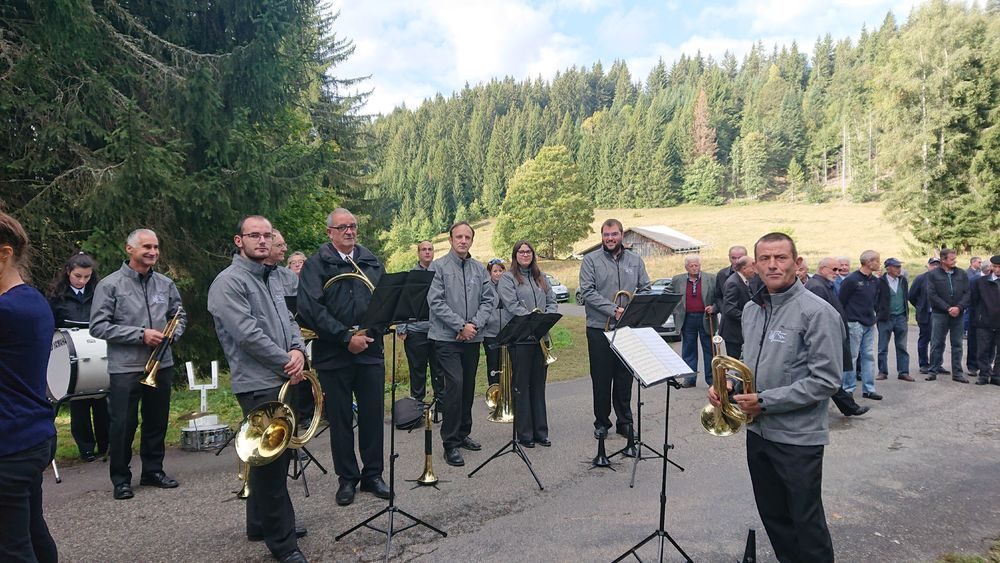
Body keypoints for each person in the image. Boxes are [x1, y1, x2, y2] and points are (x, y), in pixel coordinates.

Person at [709, 232, 841, 563]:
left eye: (780, 258)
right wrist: (728, 390)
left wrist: (765, 401)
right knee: (776, 521)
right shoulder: (753, 310)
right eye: (765, 259)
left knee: (806, 525)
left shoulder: (817, 312)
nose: (772, 265)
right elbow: (747, 367)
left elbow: (826, 381)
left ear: (796, 263)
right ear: (754, 266)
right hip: (758, 433)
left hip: (798, 439)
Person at [207, 215, 308, 563]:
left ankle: (259, 525)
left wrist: (298, 350)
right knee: (270, 465)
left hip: (281, 376)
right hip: (257, 383)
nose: (263, 241)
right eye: (255, 235)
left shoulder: (271, 278)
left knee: (269, 458)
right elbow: (248, 335)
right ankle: (284, 545)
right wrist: (287, 360)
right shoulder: (228, 283)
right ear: (240, 241)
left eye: (267, 235)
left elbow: (289, 321)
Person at [297, 208, 390, 506]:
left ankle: (373, 475)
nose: (349, 232)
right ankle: (347, 478)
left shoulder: (371, 261)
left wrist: (368, 334)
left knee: (373, 416)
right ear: (330, 233)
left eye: (353, 226)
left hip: (370, 351)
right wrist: (346, 337)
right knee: (340, 419)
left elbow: (385, 301)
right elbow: (311, 310)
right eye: (342, 227)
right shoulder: (315, 266)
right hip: (334, 354)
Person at [90, 228, 186, 500]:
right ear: (129, 249)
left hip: (161, 364)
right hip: (125, 368)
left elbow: (179, 315)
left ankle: (153, 471)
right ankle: (121, 479)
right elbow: (98, 327)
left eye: (156, 247)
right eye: (146, 247)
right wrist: (140, 335)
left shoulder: (166, 284)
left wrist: (173, 334)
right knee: (123, 424)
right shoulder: (110, 285)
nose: (153, 252)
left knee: (156, 421)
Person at [0, 212, 59, 562]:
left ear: (3, 254)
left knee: (11, 549)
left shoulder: (7, 310)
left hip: (9, 445)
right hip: (31, 435)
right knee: (32, 533)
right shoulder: (32, 299)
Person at [427, 221, 497, 467]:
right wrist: (460, 326)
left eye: (468, 237)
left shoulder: (479, 269)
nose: (463, 240)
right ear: (450, 239)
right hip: (446, 339)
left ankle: (463, 432)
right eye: (459, 236)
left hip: (472, 337)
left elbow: (489, 300)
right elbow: (435, 302)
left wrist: (473, 326)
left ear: (472, 240)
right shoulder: (438, 268)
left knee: (467, 387)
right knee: (454, 385)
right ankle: (450, 443)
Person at [578, 218, 649, 440]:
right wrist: (614, 309)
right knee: (601, 379)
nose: (610, 239)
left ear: (621, 235)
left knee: (624, 378)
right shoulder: (591, 260)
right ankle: (602, 422)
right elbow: (587, 292)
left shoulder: (635, 260)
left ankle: (625, 422)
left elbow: (645, 288)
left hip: (627, 330)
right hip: (599, 328)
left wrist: (634, 310)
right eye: (606, 235)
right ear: (602, 236)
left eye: (614, 234)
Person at [47, 252, 110, 462]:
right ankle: (86, 448)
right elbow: (51, 326)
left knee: (101, 400)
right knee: (79, 405)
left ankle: (105, 445)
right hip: (71, 355)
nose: (82, 280)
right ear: (68, 272)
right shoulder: (57, 297)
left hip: (97, 352)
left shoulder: (98, 293)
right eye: (78, 276)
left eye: (87, 276)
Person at [497, 241, 557, 447]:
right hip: (521, 339)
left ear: (533, 254)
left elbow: (552, 301)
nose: (525, 254)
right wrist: (533, 322)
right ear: (515, 255)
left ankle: (541, 432)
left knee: (538, 385)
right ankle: (525, 434)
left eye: (528, 251)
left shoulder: (541, 277)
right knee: (522, 385)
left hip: (540, 338)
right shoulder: (507, 278)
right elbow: (512, 305)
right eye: (521, 252)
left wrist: (544, 320)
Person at [806, 258, 870, 417]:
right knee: (828, 376)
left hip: (830, 336)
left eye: (838, 269)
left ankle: (849, 407)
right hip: (824, 339)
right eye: (833, 269)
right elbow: (817, 316)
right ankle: (849, 407)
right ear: (822, 269)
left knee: (828, 377)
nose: (837, 273)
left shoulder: (823, 285)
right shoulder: (817, 287)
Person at [398, 241, 441, 403]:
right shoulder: (411, 276)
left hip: (438, 330)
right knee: (417, 371)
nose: (427, 252)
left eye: (430, 249)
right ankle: (417, 406)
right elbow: (403, 302)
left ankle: (440, 406)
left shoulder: (440, 272)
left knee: (439, 370)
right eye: (424, 249)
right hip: (416, 330)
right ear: (418, 253)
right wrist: (402, 327)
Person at [839, 250, 882, 400]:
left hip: (869, 323)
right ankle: (848, 388)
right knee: (852, 356)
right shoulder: (851, 280)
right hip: (854, 323)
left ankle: (868, 389)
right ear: (869, 262)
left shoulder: (875, 281)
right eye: (877, 260)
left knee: (868, 356)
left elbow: (875, 301)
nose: (879, 263)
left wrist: (875, 316)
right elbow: (841, 302)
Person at [671, 254, 718, 388]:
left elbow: (718, 297)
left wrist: (714, 308)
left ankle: (712, 380)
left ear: (700, 265)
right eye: (691, 266)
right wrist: (675, 309)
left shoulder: (711, 278)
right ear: (686, 267)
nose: (694, 268)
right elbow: (669, 295)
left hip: (706, 317)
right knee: (688, 349)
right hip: (687, 318)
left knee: (710, 349)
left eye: (696, 265)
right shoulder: (677, 280)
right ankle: (690, 379)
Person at [925, 248, 971, 383]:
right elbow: (932, 295)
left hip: (958, 314)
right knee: (936, 343)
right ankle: (933, 370)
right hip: (940, 314)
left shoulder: (962, 274)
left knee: (957, 344)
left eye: (954, 258)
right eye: (951, 259)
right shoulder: (933, 275)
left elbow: (967, 293)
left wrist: (958, 307)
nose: (954, 261)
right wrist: (947, 308)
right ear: (943, 260)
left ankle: (957, 373)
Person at [875, 258, 912, 381]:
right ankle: (882, 372)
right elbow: (874, 299)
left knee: (902, 346)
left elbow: (905, 297)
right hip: (886, 318)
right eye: (896, 267)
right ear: (888, 268)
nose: (898, 269)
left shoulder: (903, 281)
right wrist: (879, 313)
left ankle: (903, 372)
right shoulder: (880, 281)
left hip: (901, 317)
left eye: (899, 267)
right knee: (882, 347)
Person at [971, 255, 1000, 386]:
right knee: (983, 350)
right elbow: (974, 301)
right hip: (984, 322)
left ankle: (996, 375)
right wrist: (978, 316)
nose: (997, 270)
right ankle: (984, 374)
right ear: (991, 267)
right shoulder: (981, 282)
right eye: (995, 267)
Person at [908, 257, 940, 374]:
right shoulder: (921, 278)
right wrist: (920, 306)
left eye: (937, 264)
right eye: (933, 264)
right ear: (928, 266)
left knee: (938, 341)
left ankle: (936, 364)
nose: (935, 267)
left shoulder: (942, 278)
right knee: (924, 339)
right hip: (925, 314)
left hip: (939, 315)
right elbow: (911, 296)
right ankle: (923, 364)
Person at [720, 256, 755, 360]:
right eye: (752, 267)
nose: (755, 270)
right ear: (744, 268)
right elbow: (730, 309)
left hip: (739, 332)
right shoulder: (733, 283)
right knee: (736, 364)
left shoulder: (743, 280)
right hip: (733, 333)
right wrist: (749, 318)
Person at [482, 257, 506, 387]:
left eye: (500, 270)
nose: (498, 273)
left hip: (507, 332)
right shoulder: (485, 287)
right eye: (495, 271)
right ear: (490, 273)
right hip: (490, 334)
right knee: (493, 364)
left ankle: (506, 392)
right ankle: (494, 392)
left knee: (506, 364)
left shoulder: (508, 286)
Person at [267, 230, 298, 299]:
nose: (285, 249)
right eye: (279, 245)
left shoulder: (290, 276)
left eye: (284, 244)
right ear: (265, 247)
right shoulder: (250, 276)